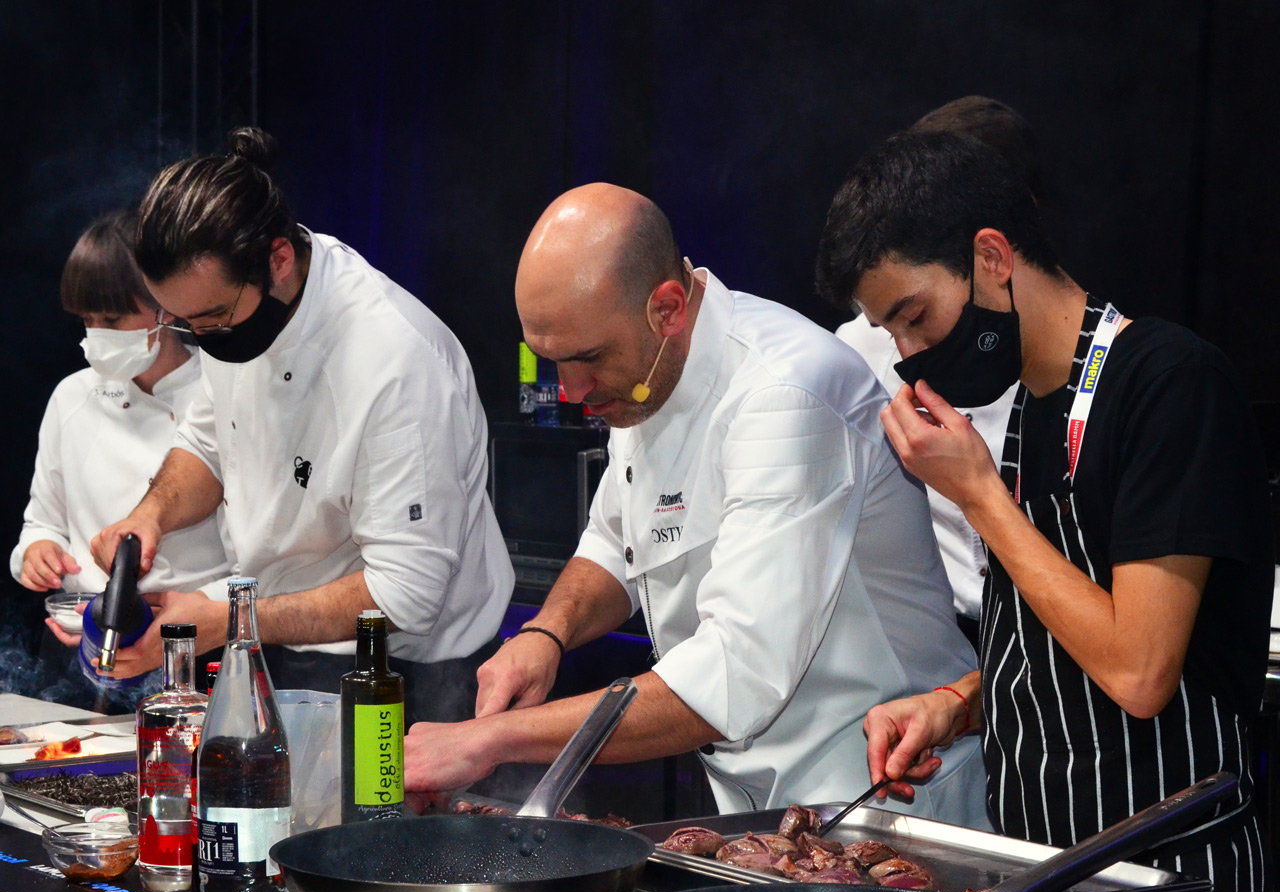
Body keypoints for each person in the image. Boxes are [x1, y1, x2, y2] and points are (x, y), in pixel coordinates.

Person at [403, 182, 989, 827]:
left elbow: (737, 673)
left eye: (588, 359)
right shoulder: (643, 373)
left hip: (876, 792)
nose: (569, 391)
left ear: (668, 308)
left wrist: (488, 741)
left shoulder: (786, 395)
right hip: (756, 801)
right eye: (552, 363)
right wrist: (547, 634)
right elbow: (615, 540)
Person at [815, 129, 1276, 892]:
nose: (911, 354)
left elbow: (1138, 669)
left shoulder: (1170, 383)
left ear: (992, 257)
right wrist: (955, 705)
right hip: (1046, 878)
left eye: (914, 317)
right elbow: (1061, 640)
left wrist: (979, 495)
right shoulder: (1031, 407)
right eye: (892, 333)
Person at [90, 127, 513, 722]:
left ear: (278, 259)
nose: (202, 339)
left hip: (410, 679)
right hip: (280, 647)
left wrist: (231, 620)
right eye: (183, 324)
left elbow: (406, 594)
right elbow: (209, 446)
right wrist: (150, 514)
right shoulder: (231, 319)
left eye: (212, 317)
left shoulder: (394, 361)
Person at [9, 211, 228, 708]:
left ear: (167, 307)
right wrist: (37, 554)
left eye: (111, 320)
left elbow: (257, 561)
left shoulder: (221, 392)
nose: (96, 336)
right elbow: (40, 523)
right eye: (86, 320)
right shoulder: (72, 397)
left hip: (188, 652)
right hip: (76, 650)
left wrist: (190, 614)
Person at [836, 98, 1033, 648]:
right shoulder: (857, 351)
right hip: (938, 634)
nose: (906, 347)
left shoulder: (1080, 360)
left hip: (1046, 627)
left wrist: (976, 491)